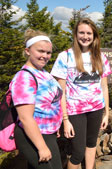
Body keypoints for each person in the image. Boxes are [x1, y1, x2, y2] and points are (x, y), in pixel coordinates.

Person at [51, 18, 111, 169]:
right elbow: (61, 92)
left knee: (91, 145)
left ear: (95, 36)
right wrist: (65, 120)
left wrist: (106, 113)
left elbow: (104, 87)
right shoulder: (65, 57)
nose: (85, 36)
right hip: (74, 112)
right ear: (76, 34)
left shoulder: (101, 57)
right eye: (81, 32)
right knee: (77, 153)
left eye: (89, 33)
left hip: (96, 109)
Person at [12, 29, 63, 169]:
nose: (45, 56)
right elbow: (25, 118)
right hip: (32, 136)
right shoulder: (24, 78)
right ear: (28, 51)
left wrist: (55, 124)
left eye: (48, 52)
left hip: (48, 132)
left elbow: (51, 102)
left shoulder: (43, 72)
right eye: (40, 51)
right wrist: (41, 147)